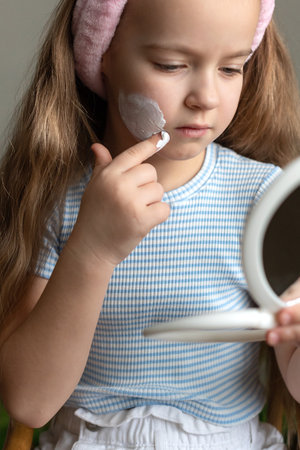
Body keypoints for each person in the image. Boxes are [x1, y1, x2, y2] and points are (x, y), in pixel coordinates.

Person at [0, 0, 300, 448]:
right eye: (171, 64)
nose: (207, 97)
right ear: (102, 54)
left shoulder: (265, 198)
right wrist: (94, 249)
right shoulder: (59, 199)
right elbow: (28, 403)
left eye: (232, 68)